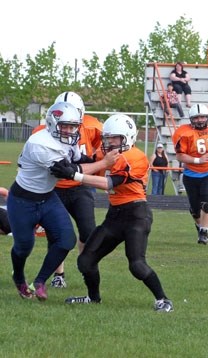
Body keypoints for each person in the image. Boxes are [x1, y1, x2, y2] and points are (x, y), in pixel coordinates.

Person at [52, 114, 173, 312]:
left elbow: (109, 183)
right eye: (107, 138)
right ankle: (93, 298)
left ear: (128, 137)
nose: (109, 143)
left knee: (136, 264)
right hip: (115, 216)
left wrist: (74, 174)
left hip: (136, 215)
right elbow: (90, 161)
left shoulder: (137, 157)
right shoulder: (105, 152)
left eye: (115, 138)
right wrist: (69, 161)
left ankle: (163, 299)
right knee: (85, 260)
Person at [7, 102, 113, 301]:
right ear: (52, 123)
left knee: (66, 240)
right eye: (64, 125)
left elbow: (79, 159)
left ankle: (39, 282)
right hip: (23, 200)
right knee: (24, 246)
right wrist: (104, 163)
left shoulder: (67, 140)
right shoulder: (40, 143)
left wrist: (101, 160)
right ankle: (19, 277)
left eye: (73, 126)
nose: (69, 130)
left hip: (47, 198)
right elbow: (67, 172)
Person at [32, 92, 105, 290]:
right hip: (54, 188)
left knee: (88, 231)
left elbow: (99, 150)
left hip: (80, 186)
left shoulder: (92, 127)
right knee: (56, 234)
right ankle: (59, 275)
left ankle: (85, 268)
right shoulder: (41, 132)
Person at [173, 103, 208, 244]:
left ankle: (204, 231)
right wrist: (198, 160)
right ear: (191, 119)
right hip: (191, 173)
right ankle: (200, 226)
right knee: (195, 210)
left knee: (207, 202)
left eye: (202, 117)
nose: (200, 120)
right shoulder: (183, 132)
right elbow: (180, 156)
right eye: (196, 117)